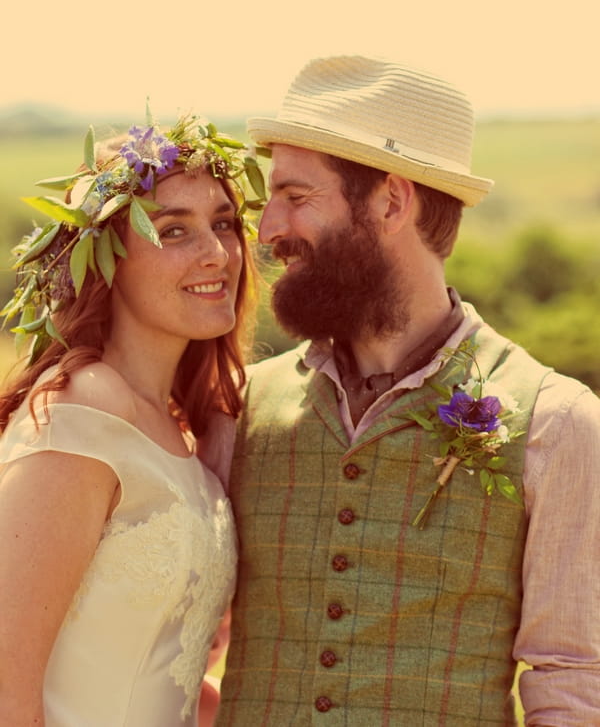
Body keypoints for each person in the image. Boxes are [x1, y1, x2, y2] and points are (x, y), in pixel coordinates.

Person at [216, 56, 600, 725]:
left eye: (296, 197)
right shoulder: (239, 407)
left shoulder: (558, 422)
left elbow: (571, 677)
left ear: (392, 201)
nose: (267, 229)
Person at [0, 114, 262, 726]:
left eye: (223, 224)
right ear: (103, 260)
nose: (217, 254)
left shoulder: (179, 427)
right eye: (174, 231)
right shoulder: (83, 410)